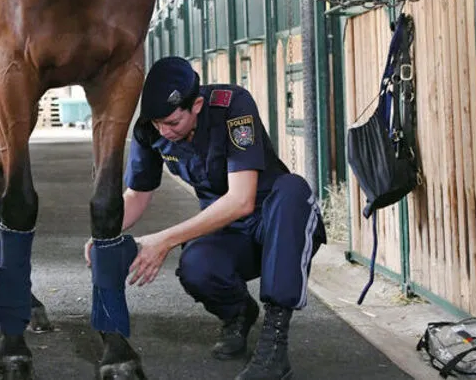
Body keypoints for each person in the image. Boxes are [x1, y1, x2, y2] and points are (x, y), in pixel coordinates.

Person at [89, 56, 325, 380]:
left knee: (293, 190)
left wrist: (164, 240)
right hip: (228, 229)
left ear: (197, 105)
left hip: (277, 222)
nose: (164, 131)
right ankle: (238, 313)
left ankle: (274, 346)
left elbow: (241, 200)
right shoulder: (150, 130)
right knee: (196, 266)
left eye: (173, 122)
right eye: (157, 123)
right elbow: (137, 195)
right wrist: (104, 234)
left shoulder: (232, 106)